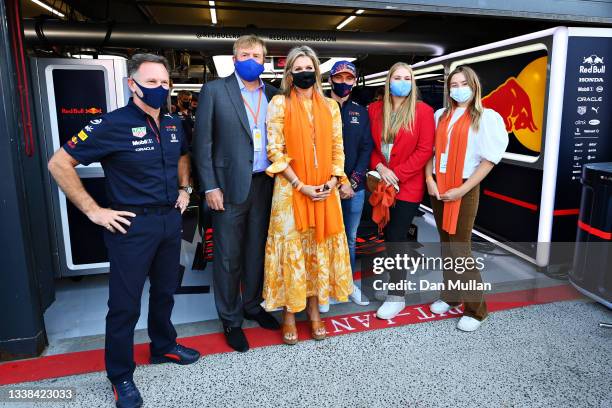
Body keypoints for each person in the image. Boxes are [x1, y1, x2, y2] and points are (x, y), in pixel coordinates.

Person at [47, 53, 200, 408]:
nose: (160, 89)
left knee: (165, 291)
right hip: (130, 226)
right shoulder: (110, 124)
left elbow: (181, 156)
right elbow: (59, 163)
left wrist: (184, 188)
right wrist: (95, 211)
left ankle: (163, 345)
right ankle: (120, 375)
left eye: (165, 83)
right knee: (124, 306)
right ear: (132, 85)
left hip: (168, 221)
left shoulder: (175, 123)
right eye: (151, 82)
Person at [193, 35, 280, 353]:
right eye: (245, 54)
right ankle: (230, 318)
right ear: (234, 59)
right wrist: (210, 187)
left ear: (264, 60)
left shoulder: (274, 95)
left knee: (257, 251)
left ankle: (252, 305)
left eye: (257, 55)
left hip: (265, 184)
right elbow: (202, 144)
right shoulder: (215, 91)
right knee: (228, 256)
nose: (251, 60)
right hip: (227, 187)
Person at [263, 45, 352, 345]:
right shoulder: (278, 104)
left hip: (326, 191)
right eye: (297, 69)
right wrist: (301, 185)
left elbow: (338, 148)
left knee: (318, 248)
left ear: (317, 70)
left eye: (308, 68)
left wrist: (332, 180)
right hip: (291, 192)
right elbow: (274, 150)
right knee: (294, 251)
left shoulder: (331, 107)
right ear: (289, 74)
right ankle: (289, 312)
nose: (304, 73)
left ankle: (314, 311)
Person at [425, 66, 508, 332]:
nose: (458, 88)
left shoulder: (485, 118)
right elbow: (432, 151)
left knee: (461, 249)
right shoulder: (441, 115)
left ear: (474, 86)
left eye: (463, 83)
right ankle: (451, 295)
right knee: (446, 245)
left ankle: (477, 309)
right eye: (453, 84)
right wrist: (429, 179)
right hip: (440, 186)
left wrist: (463, 190)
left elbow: (488, 161)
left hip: (464, 187)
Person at [368, 62, 435, 320]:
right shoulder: (375, 110)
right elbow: (371, 145)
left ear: (413, 82)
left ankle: (398, 295)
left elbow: (424, 150)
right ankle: (393, 283)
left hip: (407, 186)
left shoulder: (423, 111)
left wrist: (397, 174)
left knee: (397, 236)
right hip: (382, 183)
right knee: (386, 234)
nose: (402, 82)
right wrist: (379, 166)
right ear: (389, 81)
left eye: (407, 78)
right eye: (397, 77)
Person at [325, 60, 373, 312]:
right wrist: (336, 182)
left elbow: (367, 149)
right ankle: (327, 286)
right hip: (326, 186)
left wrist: (352, 181)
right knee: (326, 238)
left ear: (354, 82)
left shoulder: (360, 112)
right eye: (339, 77)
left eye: (348, 78)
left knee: (350, 238)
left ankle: (346, 285)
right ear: (331, 79)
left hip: (354, 187)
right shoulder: (319, 106)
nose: (343, 82)